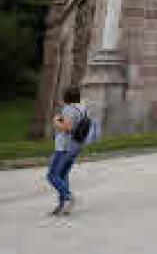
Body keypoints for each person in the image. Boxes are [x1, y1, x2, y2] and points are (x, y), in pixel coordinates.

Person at [46, 85, 90, 215]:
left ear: (66, 97)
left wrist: (56, 122)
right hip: (76, 146)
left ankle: (69, 197)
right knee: (62, 175)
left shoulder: (69, 109)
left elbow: (68, 128)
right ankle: (62, 206)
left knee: (52, 175)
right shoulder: (83, 107)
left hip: (64, 147)